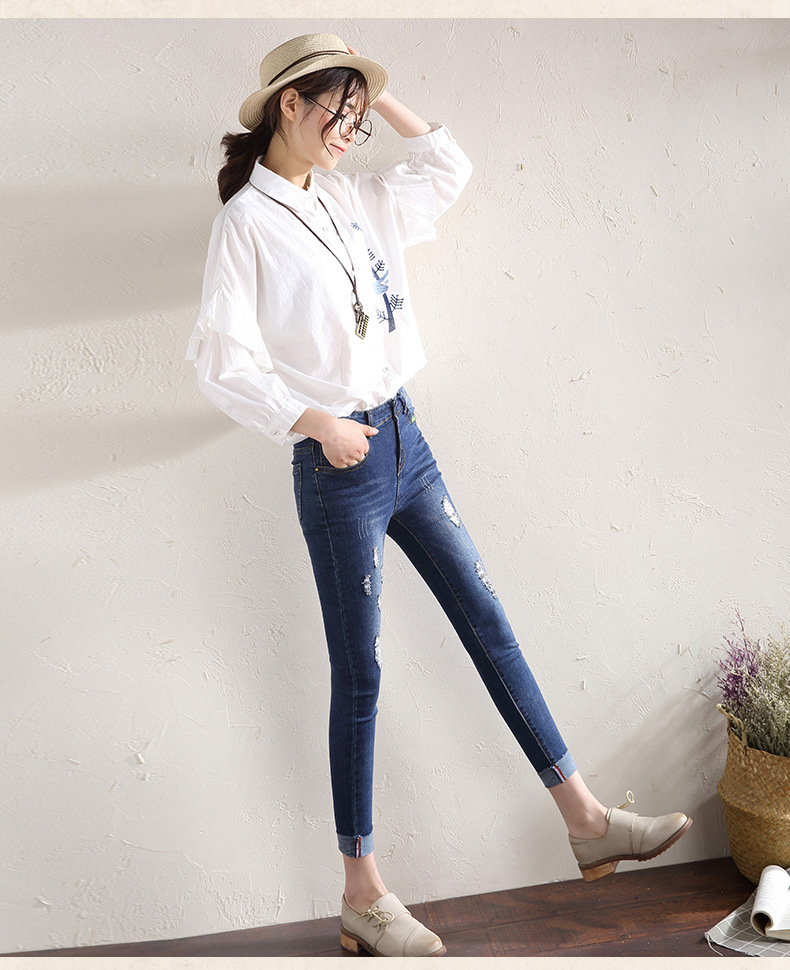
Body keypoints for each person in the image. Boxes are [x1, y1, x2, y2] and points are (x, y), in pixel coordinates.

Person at [186, 32, 693, 959]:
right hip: (338, 466)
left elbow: (447, 168)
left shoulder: (350, 197)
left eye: (358, 118)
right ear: (287, 104)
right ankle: (362, 892)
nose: (350, 132)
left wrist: (373, 89)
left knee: (487, 618)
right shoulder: (246, 225)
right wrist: (316, 422)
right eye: (334, 111)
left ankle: (585, 820)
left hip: (408, 441)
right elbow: (220, 361)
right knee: (362, 673)